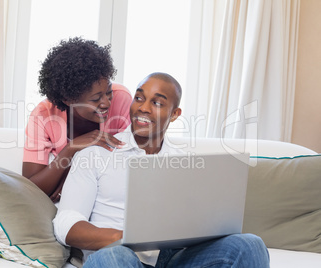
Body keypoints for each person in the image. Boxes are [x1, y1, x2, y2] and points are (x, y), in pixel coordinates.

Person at [53, 72, 270, 267]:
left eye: (157, 103)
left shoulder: (186, 163)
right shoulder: (95, 155)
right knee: (114, 257)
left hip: (173, 259)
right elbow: (66, 223)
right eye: (139, 98)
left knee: (250, 244)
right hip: (117, 255)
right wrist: (127, 238)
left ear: (175, 114)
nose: (143, 108)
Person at [22, 37, 132, 202]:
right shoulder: (43, 115)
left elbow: (130, 163)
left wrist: (70, 172)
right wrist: (71, 149)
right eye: (95, 99)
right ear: (68, 99)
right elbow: (30, 188)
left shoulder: (122, 98)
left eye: (108, 92)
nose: (107, 103)